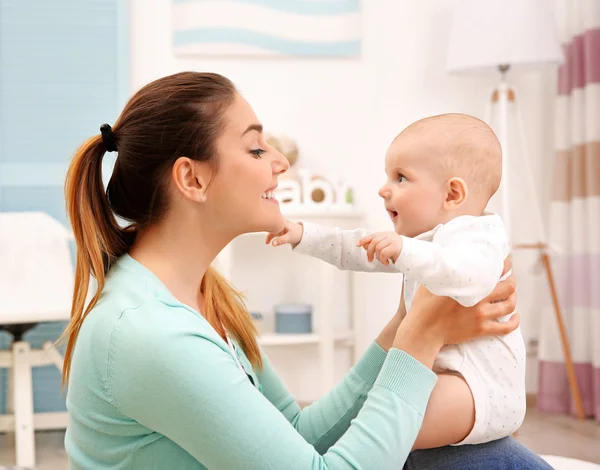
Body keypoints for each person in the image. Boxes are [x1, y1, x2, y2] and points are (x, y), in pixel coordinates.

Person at [61, 71, 550, 469]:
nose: (279, 163)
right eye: (256, 148)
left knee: (474, 454)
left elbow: (297, 434)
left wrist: (408, 323)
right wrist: (419, 340)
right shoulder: (153, 334)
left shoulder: (203, 297)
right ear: (192, 178)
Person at [268, 114, 526, 449]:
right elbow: (358, 249)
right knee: (375, 415)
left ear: (452, 194)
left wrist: (406, 250)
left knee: (386, 433)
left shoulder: (479, 235)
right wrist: (304, 235)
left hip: (478, 389)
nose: (383, 188)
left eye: (401, 178)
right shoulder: (427, 240)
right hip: (445, 375)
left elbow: (468, 278)